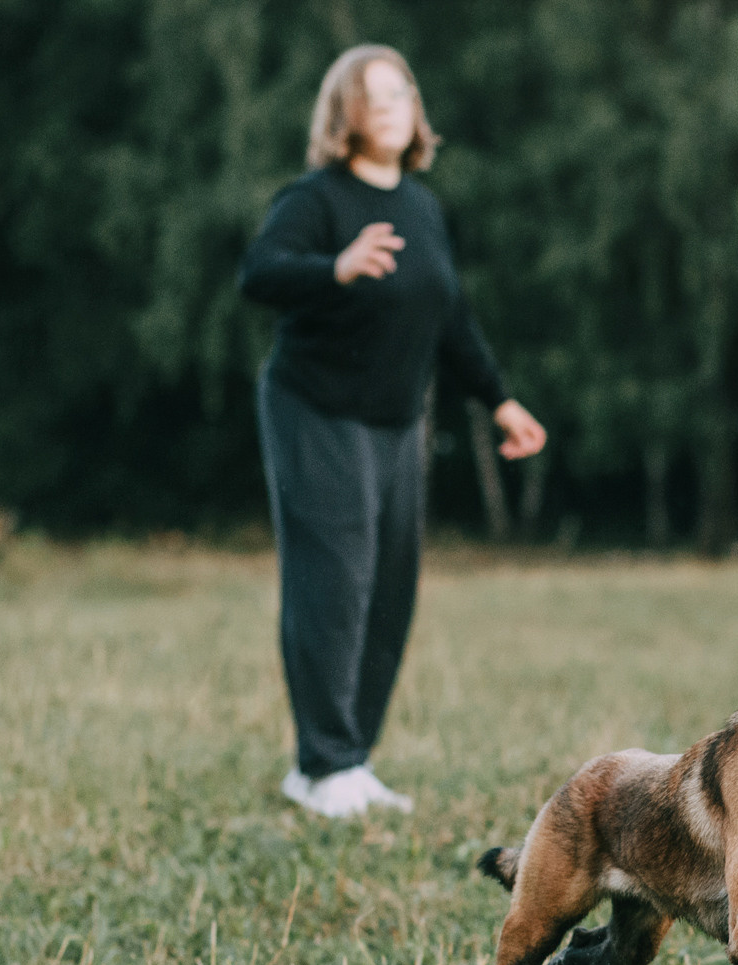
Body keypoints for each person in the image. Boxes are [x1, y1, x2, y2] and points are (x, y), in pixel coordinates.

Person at [239, 44, 545, 818]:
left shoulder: (421, 207)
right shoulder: (317, 199)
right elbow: (261, 273)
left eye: (400, 91)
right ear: (345, 113)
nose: (390, 104)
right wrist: (334, 268)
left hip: (395, 421)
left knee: (391, 586)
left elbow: (450, 316)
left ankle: (350, 760)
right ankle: (322, 764)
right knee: (334, 579)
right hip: (315, 409)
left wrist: (499, 400)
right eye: (371, 95)